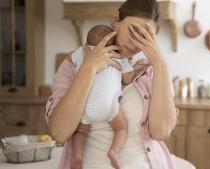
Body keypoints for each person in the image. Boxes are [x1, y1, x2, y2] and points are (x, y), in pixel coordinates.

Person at [45, 0, 196, 168]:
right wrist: (89, 67)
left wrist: (159, 63)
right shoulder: (75, 64)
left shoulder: (151, 72)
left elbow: (161, 131)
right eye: (132, 31)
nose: (134, 43)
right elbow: (59, 132)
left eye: (144, 37)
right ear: (116, 20)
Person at [70, 24, 137, 169]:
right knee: (121, 128)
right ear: (113, 44)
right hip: (108, 106)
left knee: (80, 131)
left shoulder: (82, 52)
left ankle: (77, 154)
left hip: (85, 104)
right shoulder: (119, 57)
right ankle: (114, 151)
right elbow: (128, 80)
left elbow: (71, 61)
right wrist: (130, 65)